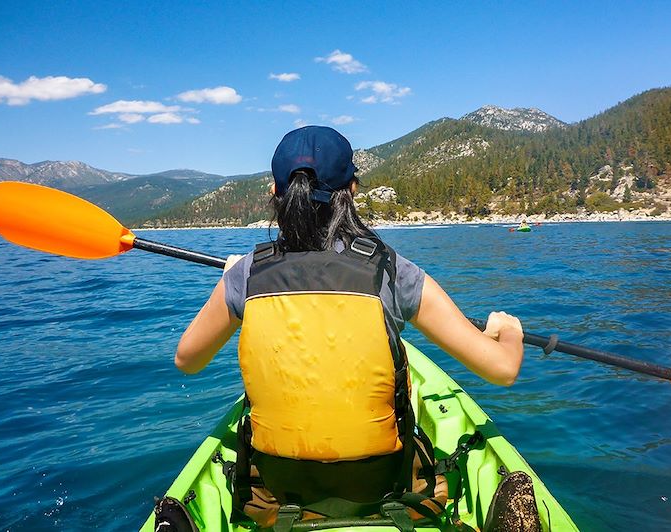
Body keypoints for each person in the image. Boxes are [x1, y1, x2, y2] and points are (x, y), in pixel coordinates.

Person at [174, 126, 524, 526]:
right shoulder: (391, 271)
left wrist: (234, 278)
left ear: (275, 191)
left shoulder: (246, 275)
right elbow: (502, 369)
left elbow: (187, 360)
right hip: (385, 486)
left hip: (277, 492)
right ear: (352, 189)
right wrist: (507, 330)